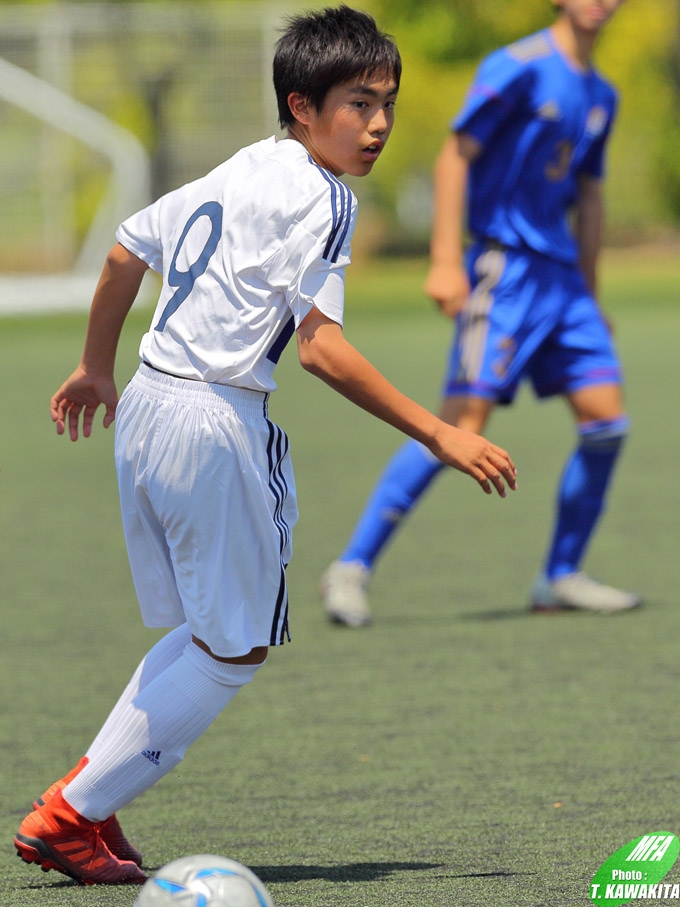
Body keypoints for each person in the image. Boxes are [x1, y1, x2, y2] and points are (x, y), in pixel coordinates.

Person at [14, 5, 516, 887]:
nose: (380, 124)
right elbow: (319, 347)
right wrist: (438, 431)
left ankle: (91, 793)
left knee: (210, 632)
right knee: (234, 647)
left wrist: (97, 366)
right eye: (359, 103)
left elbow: (127, 251)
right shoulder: (323, 198)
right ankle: (69, 814)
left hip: (147, 405)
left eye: (386, 104)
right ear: (303, 105)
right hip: (211, 419)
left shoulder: (242, 168)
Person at [320, 0, 641, 628]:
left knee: (607, 423)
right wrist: (445, 259)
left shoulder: (602, 93)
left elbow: (592, 196)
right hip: (506, 272)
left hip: (565, 284)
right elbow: (454, 156)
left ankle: (561, 576)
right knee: (460, 426)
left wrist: (593, 295)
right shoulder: (516, 66)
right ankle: (351, 567)